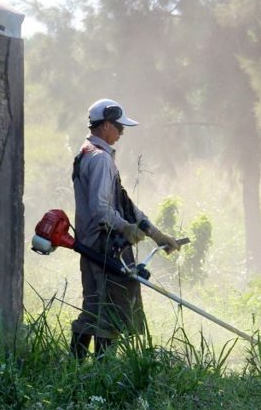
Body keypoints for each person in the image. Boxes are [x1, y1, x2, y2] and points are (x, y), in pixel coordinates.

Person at [69, 99, 181, 359]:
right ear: (106, 124)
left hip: (91, 244)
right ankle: (102, 370)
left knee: (94, 307)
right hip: (104, 246)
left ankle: (74, 367)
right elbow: (101, 209)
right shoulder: (100, 159)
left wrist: (156, 234)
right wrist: (127, 229)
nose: (122, 132)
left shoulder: (88, 153)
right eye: (119, 126)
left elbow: (124, 203)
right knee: (111, 310)